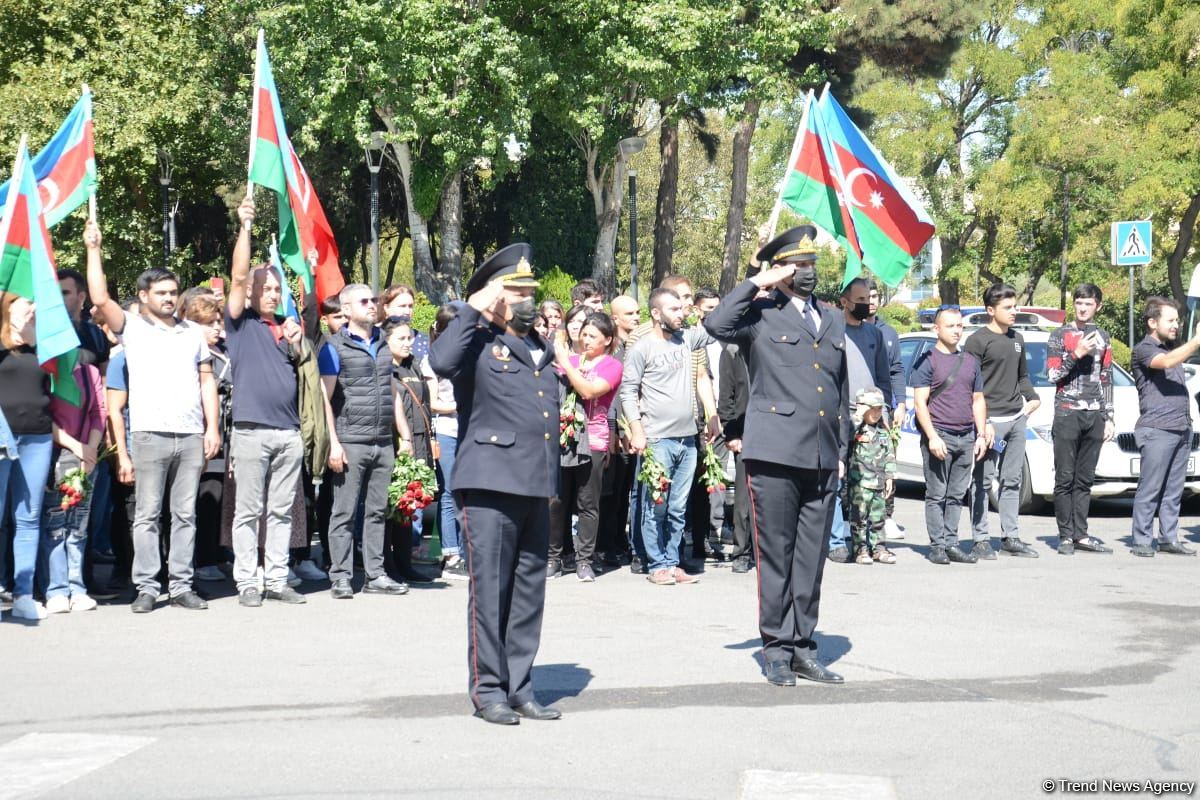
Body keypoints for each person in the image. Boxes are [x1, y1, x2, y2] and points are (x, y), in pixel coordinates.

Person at [703, 224, 849, 687]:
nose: (807, 272)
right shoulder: (760, 313)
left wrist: (840, 448)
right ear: (782, 271)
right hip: (774, 454)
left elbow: (837, 387)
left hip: (822, 453)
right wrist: (756, 283)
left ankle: (804, 646)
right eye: (798, 265)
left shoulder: (831, 318)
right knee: (777, 556)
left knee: (811, 558)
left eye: (811, 264)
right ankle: (776, 648)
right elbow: (714, 324)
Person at [428, 243, 564, 725]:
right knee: (491, 592)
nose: (527, 300)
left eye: (531, 291)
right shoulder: (475, 340)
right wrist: (475, 306)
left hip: (534, 483)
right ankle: (489, 690)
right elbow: (441, 362)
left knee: (529, 591)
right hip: (488, 484)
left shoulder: (540, 348)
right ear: (495, 296)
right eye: (516, 292)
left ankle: (520, 684)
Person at [85, 221, 220, 613]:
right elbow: (99, 295)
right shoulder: (133, 330)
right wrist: (94, 247)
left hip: (190, 435)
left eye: (173, 292)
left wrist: (211, 428)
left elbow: (207, 381)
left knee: (185, 514)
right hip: (148, 435)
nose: (168, 298)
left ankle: (181, 585)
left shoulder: (193, 332)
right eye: (160, 293)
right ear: (143, 296)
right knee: (146, 515)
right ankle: (146, 586)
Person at [224, 197, 307, 607]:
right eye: (266, 288)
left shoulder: (287, 329)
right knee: (248, 511)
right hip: (252, 430)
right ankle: (247, 582)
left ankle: (276, 578)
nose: (272, 294)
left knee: (281, 512)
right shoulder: (240, 323)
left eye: (277, 288)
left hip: (288, 433)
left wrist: (296, 343)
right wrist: (245, 226)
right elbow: (238, 278)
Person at [620, 288, 720, 586]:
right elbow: (627, 391)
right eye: (674, 309)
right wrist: (637, 430)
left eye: (682, 308)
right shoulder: (643, 348)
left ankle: (673, 561)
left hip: (687, 439)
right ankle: (657, 564)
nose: (681, 313)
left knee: (678, 507)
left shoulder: (688, 338)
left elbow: (718, 325)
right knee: (656, 505)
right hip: (657, 440)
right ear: (656, 313)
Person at [319, 283, 411, 598]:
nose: (372, 305)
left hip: (382, 440)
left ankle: (376, 575)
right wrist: (333, 442)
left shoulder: (383, 344)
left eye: (373, 300)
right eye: (364, 301)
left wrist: (404, 436)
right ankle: (341, 576)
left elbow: (391, 390)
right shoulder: (333, 347)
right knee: (343, 513)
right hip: (350, 441)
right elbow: (324, 400)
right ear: (346, 310)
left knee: (376, 512)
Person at [965, 284, 1040, 559]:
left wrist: (1032, 397)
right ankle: (980, 538)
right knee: (983, 481)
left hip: (1017, 419)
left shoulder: (1018, 338)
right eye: (1007, 307)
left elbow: (1022, 377)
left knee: (1013, 480)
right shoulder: (977, 341)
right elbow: (970, 384)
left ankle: (1011, 536)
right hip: (990, 421)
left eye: (1014, 306)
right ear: (990, 310)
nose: (1013, 311)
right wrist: (981, 424)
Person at [910, 306, 987, 565]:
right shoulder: (927, 360)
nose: (956, 331)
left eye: (959, 326)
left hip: (966, 436)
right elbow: (920, 403)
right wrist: (932, 436)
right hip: (939, 435)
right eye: (950, 326)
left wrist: (981, 433)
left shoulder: (970, 361)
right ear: (937, 329)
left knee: (956, 494)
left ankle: (952, 542)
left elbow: (977, 400)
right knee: (936, 494)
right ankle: (937, 546)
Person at [550, 312, 622, 582]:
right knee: (556, 501)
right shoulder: (569, 360)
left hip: (593, 438)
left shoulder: (612, 365)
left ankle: (584, 560)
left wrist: (567, 366)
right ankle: (554, 556)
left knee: (588, 503)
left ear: (607, 339)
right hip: (564, 437)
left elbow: (590, 392)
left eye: (593, 336)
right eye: (584, 334)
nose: (586, 339)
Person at [0, 293, 58, 620]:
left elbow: (66, 370)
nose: (34, 307)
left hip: (36, 437)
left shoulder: (44, 346)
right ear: (8, 306)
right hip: (2, 439)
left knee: (28, 517)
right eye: (26, 301)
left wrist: (34, 337)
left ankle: (23, 593)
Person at [1046, 284, 1115, 555]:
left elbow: (1106, 377)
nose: (1083, 308)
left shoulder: (1104, 336)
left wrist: (1109, 416)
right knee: (1065, 477)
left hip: (1094, 413)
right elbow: (1052, 376)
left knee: (1085, 478)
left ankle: (1081, 534)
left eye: (1088, 303)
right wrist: (1076, 354)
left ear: (1097, 306)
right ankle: (1065, 535)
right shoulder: (1060, 335)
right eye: (1078, 303)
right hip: (1067, 411)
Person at [828, 278, 894, 563]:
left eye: (869, 298)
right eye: (860, 299)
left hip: (871, 418)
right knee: (837, 479)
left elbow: (884, 378)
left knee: (870, 484)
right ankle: (836, 541)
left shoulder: (874, 335)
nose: (867, 304)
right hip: (841, 415)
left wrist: (885, 411)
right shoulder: (832, 332)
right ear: (844, 301)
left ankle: (869, 543)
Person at [1129, 297, 1200, 557]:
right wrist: (1196, 341)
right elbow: (1166, 362)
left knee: (1174, 489)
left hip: (1181, 428)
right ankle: (1141, 539)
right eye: (1170, 320)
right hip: (1157, 429)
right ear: (1152, 322)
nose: (1176, 325)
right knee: (1151, 487)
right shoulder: (1144, 349)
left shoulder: (1173, 348)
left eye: (1177, 320)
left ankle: (1168, 537)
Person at [41, 361, 106, 613]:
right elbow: (44, 416)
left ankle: (77, 588)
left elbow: (99, 412)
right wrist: (76, 447)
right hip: (58, 454)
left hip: (87, 457)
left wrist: (90, 449)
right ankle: (55, 589)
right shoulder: (47, 370)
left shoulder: (90, 372)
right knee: (55, 526)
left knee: (78, 527)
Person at [596, 294, 641, 568]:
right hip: (615, 430)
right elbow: (611, 395)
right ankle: (604, 545)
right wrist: (614, 429)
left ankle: (618, 541)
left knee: (625, 490)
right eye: (630, 314)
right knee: (609, 492)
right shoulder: (612, 350)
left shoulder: (636, 346)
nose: (637, 317)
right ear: (615, 318)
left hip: (633, 429)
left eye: (637, 313)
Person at [423, 306, 465, 579]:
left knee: (468, 493)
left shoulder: (469, 356)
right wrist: (459, 405)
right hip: (448, 430)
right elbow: (432, 401)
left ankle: (465, 549)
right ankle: (451, 554)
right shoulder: (432, 360)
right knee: (450, 492)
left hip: (471, 431)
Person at [865, 280, 907, 540]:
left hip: (885, 409)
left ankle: (887, 516)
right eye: (866, 296)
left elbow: (896, 370)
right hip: (857, 408)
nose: (870, 301)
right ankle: (855, 518)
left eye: (874, 295)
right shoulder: (848, 329)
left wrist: (900, 403)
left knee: (886, 465)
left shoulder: (888, 332)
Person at [846, 388, 897, 565]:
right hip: (859, 483)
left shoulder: (882, 431)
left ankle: (879, 549)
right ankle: (860, 550)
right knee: (859, 519)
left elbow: (889, 453)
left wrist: (890, 476)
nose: (876, 413)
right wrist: (858, 415)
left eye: (879, 409)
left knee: (878, 518)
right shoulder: (855, 428)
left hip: (878, 483)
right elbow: (845, 436)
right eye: (872, 408)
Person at [718, 339, 751, 573]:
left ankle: (768, 553)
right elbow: (726, 394)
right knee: (743, 498)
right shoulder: (733, 349)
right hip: (745, 430)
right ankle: (742, 551)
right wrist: (731, 433)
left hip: (778, 431)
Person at [57, 268, 110, 368]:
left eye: (65, 293)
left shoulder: (97, 335)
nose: (58, 298)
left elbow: (105, 377)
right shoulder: (42, 333)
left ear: (81, 297)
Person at [382, 284, 429, 361]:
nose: (407, 311)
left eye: (410, 306)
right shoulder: (375, 338)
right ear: (386, 308)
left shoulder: (423, 340)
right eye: (402, 306)